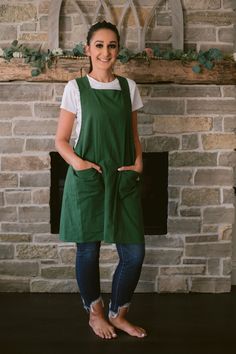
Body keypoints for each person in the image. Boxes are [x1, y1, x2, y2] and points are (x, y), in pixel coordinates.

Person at [55, 20, 146, 340]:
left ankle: (118, 312)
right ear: (88, 49)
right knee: (88, 252)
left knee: (134, 254)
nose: (105, 51)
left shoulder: (129, 87)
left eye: (111, 45)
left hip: (122, 179)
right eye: (99, 45)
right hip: (89, 179)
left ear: (118, 50)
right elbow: (61, 140)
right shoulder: (74, 88)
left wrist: (138, 163)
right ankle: (94, 313)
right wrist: (80, 164)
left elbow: (133, 135)